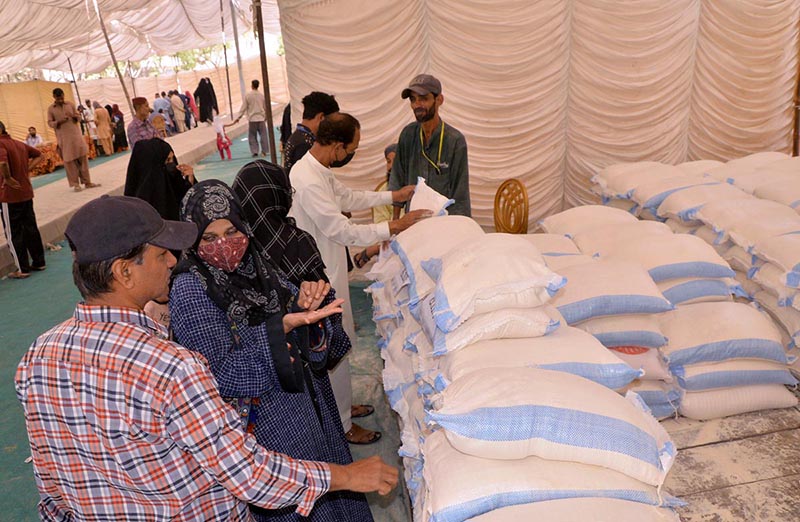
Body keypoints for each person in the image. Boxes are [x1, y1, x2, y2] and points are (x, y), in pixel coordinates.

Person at [16, 195, 399, 520]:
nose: (172, 261)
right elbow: (248, 474)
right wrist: (345, 477)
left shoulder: (38, 357)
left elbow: (50, 488)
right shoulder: (171, 367)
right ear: (124, 272)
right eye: (161, 253)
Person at [170, 180, 376, 521]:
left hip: (312, 418)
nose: (224, 245)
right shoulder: (191, 290)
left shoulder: (261, 268)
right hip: (267, 439)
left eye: (232, 230)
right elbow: (216, 376)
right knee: (299, 508)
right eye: (209, 237)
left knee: (334, 497)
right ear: (193, 240)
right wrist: (279, 330)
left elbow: (312, 343)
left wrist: (310, 305)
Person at [289, 113, 430, 444]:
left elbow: (349, 198)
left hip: (330, 267)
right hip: (318, 276)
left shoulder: (318, 170)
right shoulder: (307, 178)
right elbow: (340, 228)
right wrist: (392, 226)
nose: (352, 153)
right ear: (338, 147)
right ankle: (342, 424)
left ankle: (343, 408)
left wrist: (391, 197)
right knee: (332, 348)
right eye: (352, 148)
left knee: (341, 343)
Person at [389, 74, 471, 217]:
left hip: (444, 222)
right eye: (413, 99)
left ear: (439, 100)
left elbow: (460, 194)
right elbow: (397, 181)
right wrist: (395, 224)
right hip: (412, 222)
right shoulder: (408, 135)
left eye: (423, 99)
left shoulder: (455, 140)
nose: (417, 105)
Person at [0, 120, 44, 279]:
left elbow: (2, 162)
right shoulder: (19, 143)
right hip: (25, 192)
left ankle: (22, 268)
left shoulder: (1, 145)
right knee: (30, 227)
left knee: (13, 232)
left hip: (10, 195)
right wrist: (26, 170)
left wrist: (8, 178)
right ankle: (39, 261)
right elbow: (40, 155)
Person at [124, 138, 195, 221]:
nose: (173, 165)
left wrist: (190, 181)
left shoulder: (173, 185)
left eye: (173, 159)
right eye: (168, 160)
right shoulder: (138, 209)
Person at [47, 88, 99, 192]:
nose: (61, 100)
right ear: (54, 97)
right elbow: (49, 123)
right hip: (64, 139)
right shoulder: (51, 109)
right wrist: (59, 122)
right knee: (70, 162)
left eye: (62, 97)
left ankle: (87, 182)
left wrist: (76, 117)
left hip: (76, 137)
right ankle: (75, 184)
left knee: (83, 159)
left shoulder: (70, 104)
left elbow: (78, 116)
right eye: (58, 98)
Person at [284, 92, 339, 174]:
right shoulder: (303, 144)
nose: (332, 126)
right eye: (332, 121)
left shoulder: (302, 137)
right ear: (321, 117)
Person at [234, 79, 269, 157]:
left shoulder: (248, 95)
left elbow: (244, 107)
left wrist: (238, 117)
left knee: (252, 135)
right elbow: (265, 107)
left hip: (252, 119)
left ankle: (255, 151)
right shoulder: (261, 95)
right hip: (261, 118)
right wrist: (266, 117)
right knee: (263, 135)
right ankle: (264, 151)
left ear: (252, 85)